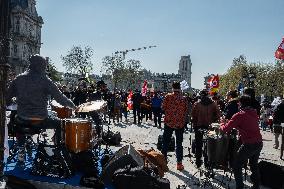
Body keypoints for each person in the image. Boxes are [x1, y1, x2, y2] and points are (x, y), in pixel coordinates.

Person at [6, 54, 76, 147]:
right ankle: (58, 148)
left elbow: (7, 99)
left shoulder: (18, 78)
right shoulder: (45, 80)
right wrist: (73, 106)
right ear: (41, 66)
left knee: (17, 120)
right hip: (40, 119)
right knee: (60, 124)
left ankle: (21, 149)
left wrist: (14, 101)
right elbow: (60, 98)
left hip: (22, 118)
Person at [220, 95, 263, 189]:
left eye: (238, 102)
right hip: (259, 142)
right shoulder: (254, 112)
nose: (238, 104)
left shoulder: (239, 115)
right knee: (254, 165)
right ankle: (256, 186)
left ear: (241, 103)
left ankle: (240, 187)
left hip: (249, 144)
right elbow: (247, 124)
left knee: (237, 166)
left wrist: (222, 123)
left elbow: (225, 129)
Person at [161, 81, 188, 170]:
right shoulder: (183, 98)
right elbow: (186, 111)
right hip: (180, 124)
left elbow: (163, 108)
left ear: (172, 87)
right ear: (180, 88)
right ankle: (179, 164)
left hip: (169, 122)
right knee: (179, 144)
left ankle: (163, 162)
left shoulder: (168, 97)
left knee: (165, 142)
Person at [191, 89, 221, 168]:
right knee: (210, 145)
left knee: (198, 145)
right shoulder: (213, 104)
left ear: (201, 95)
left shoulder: (197, 104)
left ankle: (198, 162)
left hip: (199, 126)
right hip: (211, 127)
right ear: (207, 95)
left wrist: (194, 125)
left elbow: (193, 116)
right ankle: (208, 163)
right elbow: (218, 115)